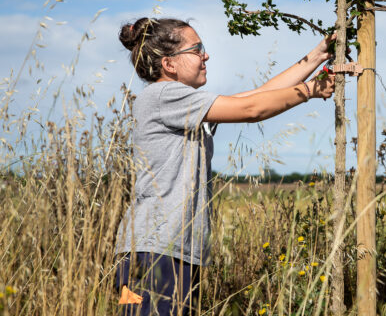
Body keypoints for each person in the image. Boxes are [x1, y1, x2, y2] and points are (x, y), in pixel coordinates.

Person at [114, 17, 335, 315]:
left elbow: (257, 96)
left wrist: (318, 54)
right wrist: (310, 90)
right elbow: (252, 110)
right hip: (155, 252)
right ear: (169, 64)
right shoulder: (163, 95)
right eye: (197, 49)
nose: (206, 55)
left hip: (167, 251)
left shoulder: (181, 101)